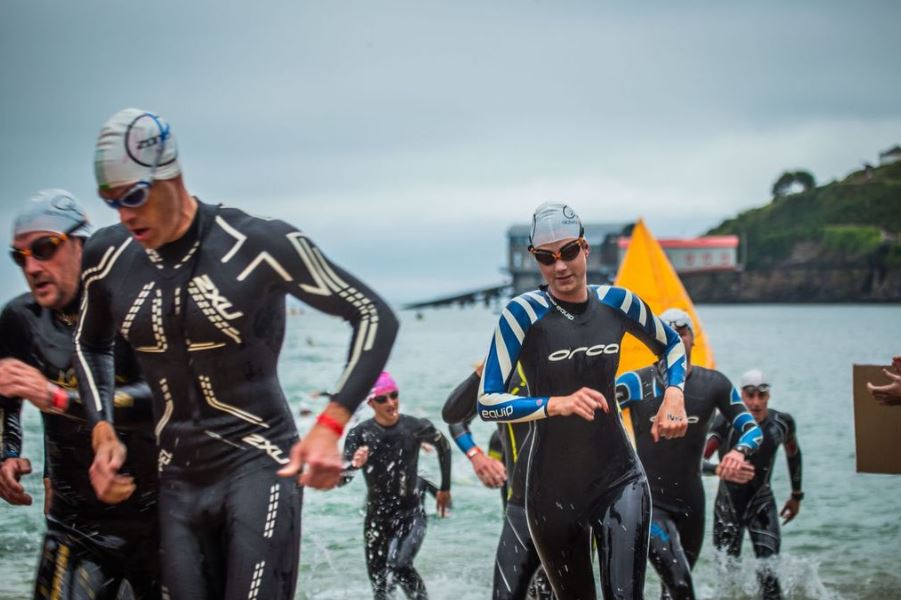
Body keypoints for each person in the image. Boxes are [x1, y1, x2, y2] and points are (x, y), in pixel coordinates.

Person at [74, 108, 398, 599]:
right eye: (111, 201)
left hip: (259, 466)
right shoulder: (108, 258)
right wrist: (103, 431)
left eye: (135, 196)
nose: (125, 214)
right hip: (177, 483)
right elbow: (89, 343)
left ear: (172, 174)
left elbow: (372, 314)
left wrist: (330, 426)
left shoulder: (257, 243)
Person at [477, 202, 689, 600]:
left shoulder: (618, 303)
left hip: (619, 478)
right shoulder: (521, 314)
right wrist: (554, 404)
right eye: (546, 257)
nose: (560, 267)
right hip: (551, 490)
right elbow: (488, 402)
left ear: (585, 248)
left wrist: (674, 394)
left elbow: (672, 345)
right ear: (534, 259)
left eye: (569, 252)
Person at [0, 190, 160, 598]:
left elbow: (160, 399)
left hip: (161, 520)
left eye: (44, 248)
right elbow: (7, 400)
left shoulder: (133, 309)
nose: (32, 266)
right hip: (75, 523)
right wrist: (6, 453)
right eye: (20, 257)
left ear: (82, 245)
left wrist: (56, 396)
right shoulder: (20, 320)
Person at [615, 307, 762, 600]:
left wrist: (737, 453)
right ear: (656, 342)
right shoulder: (635, 382)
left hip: (693, 505)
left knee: (673, 591)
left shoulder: (714, 384)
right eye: (667, 334)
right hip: (650, 505)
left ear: (693, 339)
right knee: (682, 587)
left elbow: (752, 430)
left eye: (681, 332)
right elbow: (599, 413)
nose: (676, 339)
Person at [442, 362, 554, 600]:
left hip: (569, 510)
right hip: (519, 507)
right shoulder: (504, 369)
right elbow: (455, 417)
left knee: (548, 593)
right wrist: (476, 457)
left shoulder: (571, 360)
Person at [341, 371, 451, 600]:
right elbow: (343, 479)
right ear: (371, 403)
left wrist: (444, 488)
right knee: (380, 589)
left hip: (411, 515)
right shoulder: (359, 434)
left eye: (394, 395)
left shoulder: (415, 426)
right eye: (382, 399)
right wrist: (353, 464)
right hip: (377, 518)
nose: (391, 403)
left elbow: (444, 446)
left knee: (400, 566)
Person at [705, 369, 803, 600]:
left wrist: (796, 495)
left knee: (769, 579)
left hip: (762, 504)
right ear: (741, 396)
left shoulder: (782, 424)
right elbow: (699, 460)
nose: (756, 403)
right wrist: (719, 470)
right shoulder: (723, 423)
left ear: (768, 394)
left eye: (762, 395)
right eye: (750, 396)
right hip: (727, 506)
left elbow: (794, 453)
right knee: (726, 582)